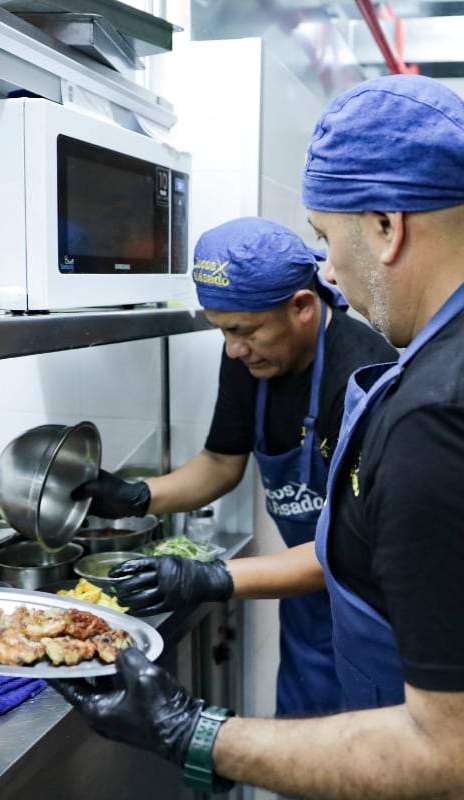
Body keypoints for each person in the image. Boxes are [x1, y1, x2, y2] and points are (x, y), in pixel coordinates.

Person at [53, 75, 464, 799]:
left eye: (325, 238)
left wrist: (190, 731)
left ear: (386, 224)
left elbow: (459, 763)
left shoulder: (446, 415)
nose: (332, 269)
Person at [72, 216, 397, 718]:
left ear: (302, 308)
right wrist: (138, 495)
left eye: (243, 331)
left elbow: (351, 546)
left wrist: (212, 578)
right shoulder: (251, 356)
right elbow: (222, 463)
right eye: (221, 330)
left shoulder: (361, 374)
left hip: (369, 614)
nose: (232, 348)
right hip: (306, 610)